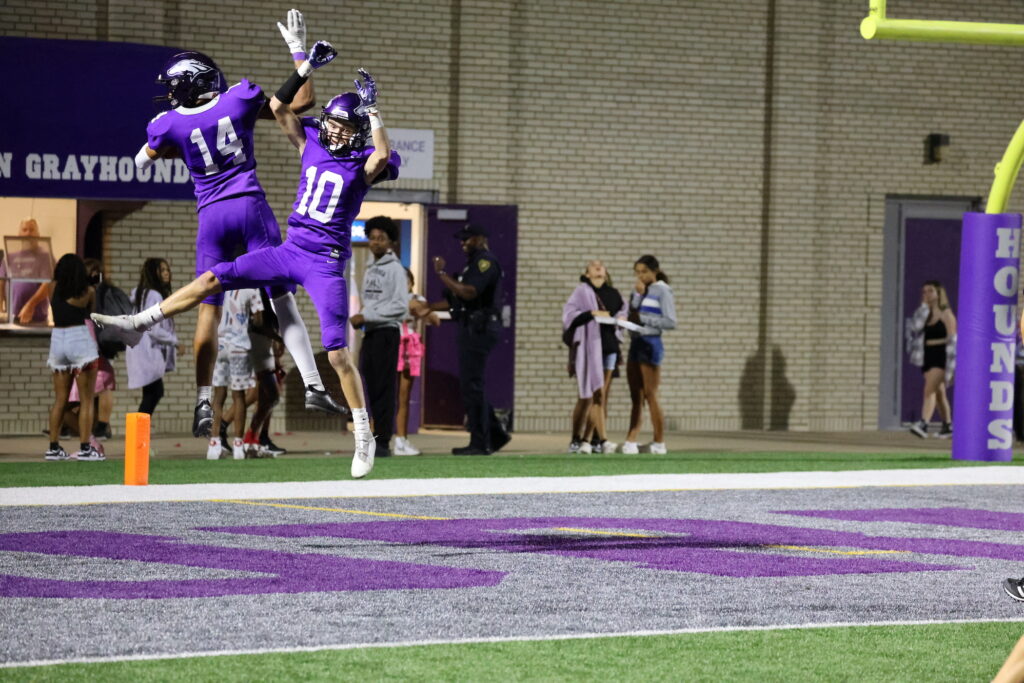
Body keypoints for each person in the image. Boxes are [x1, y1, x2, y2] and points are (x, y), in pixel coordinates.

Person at [94, 45, 401, 478]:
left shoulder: (362, 161)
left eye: (341, 126)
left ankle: (364, 435)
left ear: (356, 132)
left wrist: (372, 111)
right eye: (331, 123)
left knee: (338, 355)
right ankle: (140, 321)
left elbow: (384, 155)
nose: (332, 131)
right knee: (213, 280)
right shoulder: (310, 141)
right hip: (290, 250)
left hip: (326, 262)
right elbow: (280, 107)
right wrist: (303, 59)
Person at [133, 11, 344, 439]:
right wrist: (298, 51)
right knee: (282, 301)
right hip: (250, 208)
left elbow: (141, 161)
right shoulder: (239, 97)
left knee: (207, 308)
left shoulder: (169, 123)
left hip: (210, 217)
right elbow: (299, 104)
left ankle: (202, 401)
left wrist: (180, 145)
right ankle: (313, 383)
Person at [427, 224, 510, 455]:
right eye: (461, 240)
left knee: (473, 385)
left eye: (468, 239)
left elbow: (468, 292)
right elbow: (458, 301)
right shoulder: (473, 263)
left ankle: (480, 442)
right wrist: (429, 307)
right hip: (472, 325)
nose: (463, 243)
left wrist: (441, 274)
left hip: (479, 328)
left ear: (481, 238)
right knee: (472, 385)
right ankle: (494, 435)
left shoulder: (485, 262)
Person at [350, 216, 408, 458]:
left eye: (381, 239)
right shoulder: (371, 267)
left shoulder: (395, 269)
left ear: (390, 242)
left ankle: (384, 440)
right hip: (372, 333)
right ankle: (375, 436)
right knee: (371, 387)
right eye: (372, 238)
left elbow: (401, 307)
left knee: (384, 388)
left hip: (386, 333)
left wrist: (366, 315)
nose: (375, 242)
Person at [44, 254, 103, 461]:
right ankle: (86, 448)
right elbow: (91, 315)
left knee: (60, 399)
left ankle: (53, 447)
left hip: (58, 339)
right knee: (86, 399)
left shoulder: (51, 287)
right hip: (79, 339)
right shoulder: (88, 292)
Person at [562, 260, 624, 454]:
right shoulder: (581, 292)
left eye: (601, 265)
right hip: (589, 349)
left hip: (608, 348)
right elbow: (569, 317)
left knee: (601, 395)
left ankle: (596, 439)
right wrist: (591, 313)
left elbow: (621, 314)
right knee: (585, 397)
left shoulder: (614, 294)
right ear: (587, 273)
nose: (598, 267)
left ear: (606, 272)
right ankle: (576, 438)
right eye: (593, 265)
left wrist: (622, 318)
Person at [622, 255, 677, 455]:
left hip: (651, 343)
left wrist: (644, 320)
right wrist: (637, 297)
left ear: (654, 271)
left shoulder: (663, 290)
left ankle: (659, 441)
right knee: (636, 395)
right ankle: (631, 439)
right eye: (637, 272)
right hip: (636, 343)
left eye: (644, 272)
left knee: (650, 394)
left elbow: (670, 321)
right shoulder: (638, 290)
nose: (640, 276)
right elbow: (632, 312)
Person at [208, 288, 262, 460]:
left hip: (219, 345)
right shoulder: (251, 288)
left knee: (218, 396)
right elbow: (259, 320)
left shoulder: (220, 286)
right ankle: (238, 445)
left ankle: (214, 444)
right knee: (238, 396)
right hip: (239, 346)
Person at [396, 267, 439, 455]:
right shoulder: (387, 297)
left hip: (408, 347)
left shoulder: (417, 299)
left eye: (406, 281)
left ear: (411, 283)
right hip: (389, 345)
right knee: (382, 396)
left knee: (403, 397)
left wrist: (424, 311)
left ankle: (401, 440)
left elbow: (432, 317)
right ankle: (375, 439)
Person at [126, 259, 178, 415]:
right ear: (153, 273)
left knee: (151, 393)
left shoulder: (140, 294)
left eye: (167, 269)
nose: (167, 273)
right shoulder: (154, 295)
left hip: (139, 348)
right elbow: (154, 330)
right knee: (154, 393)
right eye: (162, 270)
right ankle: (137, 435)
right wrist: (175, 341)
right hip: (147, 350)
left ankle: (139, 435)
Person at [906, 280, 956, 438]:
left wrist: (953, 366)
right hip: (927, 356)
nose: (926, 294)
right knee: (939, 392)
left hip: (941, 356)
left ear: (939, 293)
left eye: (930, 291)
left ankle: (924, 423)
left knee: (929, 390)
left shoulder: (946, 313)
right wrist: (923, 307)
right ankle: (947, 425)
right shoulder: (925, 313)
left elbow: (953, 339)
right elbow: (915, 327)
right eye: (924, 291)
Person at [1, 217, 54, 325]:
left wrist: (30, 305)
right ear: (19, 234)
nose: (28, 233)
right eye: (24, 230)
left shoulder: (46, 257)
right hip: (11, 320)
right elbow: (1, 283)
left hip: (37, 321)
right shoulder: (9, 257)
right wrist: (0, 310)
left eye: (31, 230)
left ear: (38, 234)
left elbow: (48, 284)